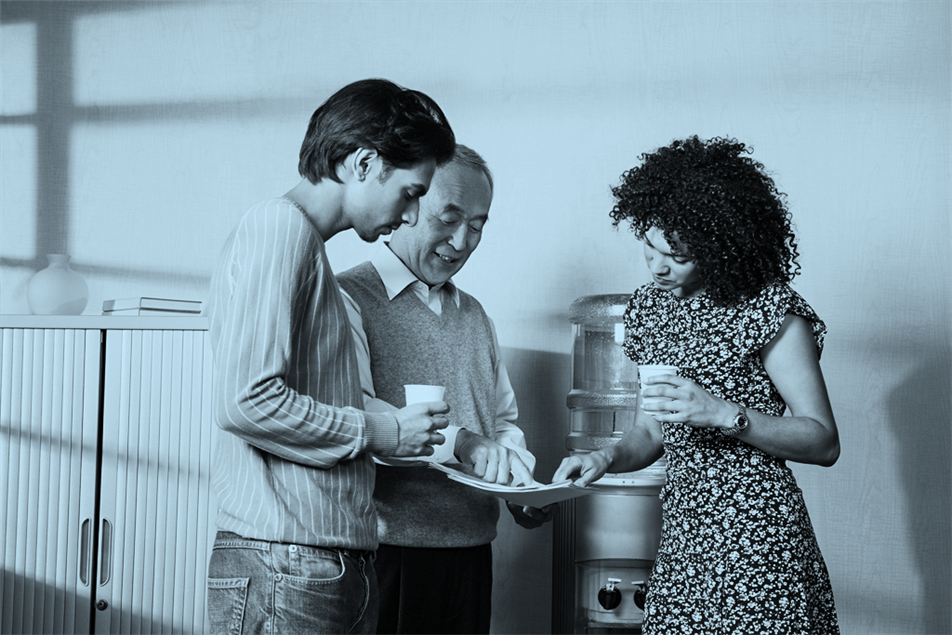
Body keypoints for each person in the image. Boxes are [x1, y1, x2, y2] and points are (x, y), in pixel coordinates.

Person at [554, 136, 841, 634]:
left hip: (758, 538)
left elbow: (823, 440)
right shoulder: (651, 307)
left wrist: (721, 414)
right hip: (685, 538)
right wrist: (603, 458)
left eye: (678, 255)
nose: (658, 266)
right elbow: (651, 431)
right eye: (649, 247)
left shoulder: (771, 311)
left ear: (721, 245)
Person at [204, 78, 457, 635]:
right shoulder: (278, 228)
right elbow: (245, 402)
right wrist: (383, 433)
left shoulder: (304, 247)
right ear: (363, 163)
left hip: (314, 562)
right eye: (412, 192)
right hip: (286, 563)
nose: (412, 216)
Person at [337, 144, 555, 635]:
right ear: (408, 207)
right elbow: (357, 412)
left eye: (477, 225)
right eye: (449, 218)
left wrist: (518, 480)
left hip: (472, 550)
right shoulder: (346, 297)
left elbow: (501, 421)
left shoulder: (476, 315)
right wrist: (467, 444)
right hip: (385, 554)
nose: (461, 241)